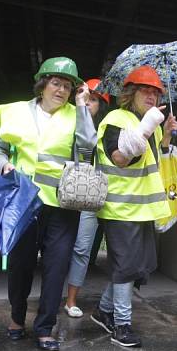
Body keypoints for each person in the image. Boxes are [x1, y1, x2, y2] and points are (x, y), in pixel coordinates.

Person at [0, 56, 96, 351]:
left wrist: (84, 107)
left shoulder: (76, 115)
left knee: (56, 266)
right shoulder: (17, 112)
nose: (61, 90)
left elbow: (87, 148)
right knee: (20, 265)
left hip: (61, 204)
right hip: (22, 201)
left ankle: (46, 327)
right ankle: (16, 318)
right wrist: (3, 165)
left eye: (67, 86)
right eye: (56, 83)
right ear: (43, 85)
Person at [89, 66, 177, 347]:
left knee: (138, 267)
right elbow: (120, 158)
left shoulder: (148, 126)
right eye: (145, 91)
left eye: (155, 92)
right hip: (120, 207)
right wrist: (148, 126)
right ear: (130, 93)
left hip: (142, 209)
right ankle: (122, 326)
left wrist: (163, 137)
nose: (151, 96)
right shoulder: (117, 119)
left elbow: (150, 165)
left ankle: (104, 311)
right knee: (127, 267)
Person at [63, 79, 110, 318]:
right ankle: (64, 298)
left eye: (95, 100)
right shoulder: (71, 124)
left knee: (92, 248)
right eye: (88, 98)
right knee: (72, 247)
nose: (90, 103)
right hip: (76, 192)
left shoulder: (108, 127)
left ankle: (78, 301)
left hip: (103, 193)